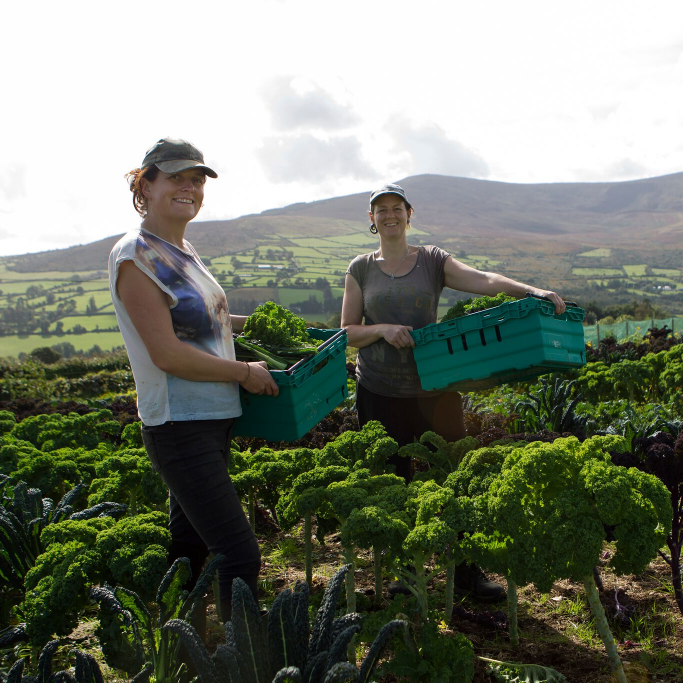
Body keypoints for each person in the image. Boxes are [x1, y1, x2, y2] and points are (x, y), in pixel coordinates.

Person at [341, 182, 566, 601]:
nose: (390, 215)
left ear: (410, 214)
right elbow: (348, 333)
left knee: (454, 475)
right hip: (379, 390)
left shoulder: (431, 260)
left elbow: (482, 279)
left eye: (397, 208)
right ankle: (406, 571)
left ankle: (466, 571)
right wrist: (382, 330)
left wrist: (530, 290)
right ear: (371, 220)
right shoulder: (360, 269)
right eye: (381, 210)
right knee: (395, 479)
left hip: (435, 386)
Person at [108, 137, 278, 624]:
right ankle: (237, 661)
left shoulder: (182, 249)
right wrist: (245, 372)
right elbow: (166, 353)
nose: (189, 187)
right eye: (176, 177)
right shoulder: (136, 256)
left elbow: (209, 320)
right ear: (146, 184)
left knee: (188, 550)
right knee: (239, 556)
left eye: (197, 179)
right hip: (179, 425)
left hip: (211, 419)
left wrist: (265, 325)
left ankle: (177, 648)